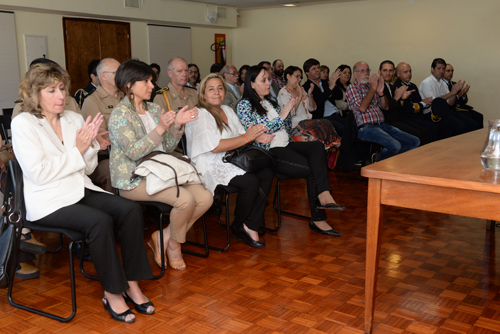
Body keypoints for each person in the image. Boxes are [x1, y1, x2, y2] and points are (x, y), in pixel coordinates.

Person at [12, 62, 154, 323]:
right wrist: (78, 149)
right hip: (48, 200)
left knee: (130, 210)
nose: (60, 96)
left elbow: (87, 169)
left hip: (78, 188)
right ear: (35, 94)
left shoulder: (73, 118)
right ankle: (112, 292)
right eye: (51, 91)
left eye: (62, 88)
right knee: (99, 221)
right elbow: (39, 173)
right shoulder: (24, 123)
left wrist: (91, 147)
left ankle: (131, 284)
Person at [108, 59, 212, 271]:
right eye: (145, 81)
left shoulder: (154, 109)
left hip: (161, 170)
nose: (151, 86)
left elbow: (167, 146)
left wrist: (177, 126)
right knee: (185, 200)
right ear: (129, 84)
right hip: (133, 178)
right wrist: (161, 128)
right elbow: (134, 152)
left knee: (205, 198)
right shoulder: (120, 114)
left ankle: (166, 237)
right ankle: (175, 247)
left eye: (151, 81)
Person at [237, 65, 345, 237]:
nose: (268, 83)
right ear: (251, 84)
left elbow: (285, 127)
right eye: (263, 80)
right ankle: (318, 218)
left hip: (286, 143)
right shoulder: (244, 105)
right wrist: (283, 115)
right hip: (270, 150)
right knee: (312, 170)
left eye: (268, 79)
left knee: (317, 146)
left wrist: (290, 110)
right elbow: (258, 131)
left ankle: (324, 193)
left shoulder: (270, 102)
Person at [185, 74, 273, 248]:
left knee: (267, 172)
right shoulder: (200, 114)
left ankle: (251, 224)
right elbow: (215, 147)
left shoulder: (228, 110)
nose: (216, 92)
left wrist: (256, 136)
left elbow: (242, 134)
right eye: (211, 89)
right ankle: (239, 224)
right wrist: (248, 137)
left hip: (231, 157)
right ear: (203, 94)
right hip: (210, 163)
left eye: (220, 88)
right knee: (250, 182)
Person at [346, 61, 420, 162]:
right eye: (362, 71)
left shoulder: (371, 87)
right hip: (366, 128)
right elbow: (362, 108)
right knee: (395, 146)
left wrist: (380, 93)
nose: (366, 73)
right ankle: (377, 159)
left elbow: (385, 107)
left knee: (414, 141)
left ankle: (391, 162)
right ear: (355, 74)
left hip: (382, 125)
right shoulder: (352, 87)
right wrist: (373, 89)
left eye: (367, 70)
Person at [81, 58, 123, 192]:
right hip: (103, 157)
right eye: (117, 72)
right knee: (117, 170)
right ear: (103, 76)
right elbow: (103, 136)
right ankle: (117, 210)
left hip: (131, 151)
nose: (122, 75)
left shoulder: (127, 97)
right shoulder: (92, 101)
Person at [278, 66, 340, 149]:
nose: (299, 79)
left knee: (326, 123)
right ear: (288, 76)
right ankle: (337, 146)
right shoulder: (283, 92)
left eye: (300, 77)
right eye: (297, 76)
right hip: (295, 125)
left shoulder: (302, 89)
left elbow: (312, 108)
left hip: (308, 122)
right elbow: (290, 113)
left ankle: (334, 148)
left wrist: (310, 95)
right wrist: (299, 96)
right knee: (324, 123)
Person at [378, 60, 432, 145]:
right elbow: (387, 109)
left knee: (425, 132)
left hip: (398, 119)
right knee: (419, 134)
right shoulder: (378, 87)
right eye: (385, 70)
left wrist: (402, 99)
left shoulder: (392, 87)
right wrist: (397, 97)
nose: (388, 73)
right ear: (379, 71)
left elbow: (399, 109)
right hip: (387, 122)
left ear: (394, 72)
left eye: (390, 70)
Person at [419, 58, 478, 134]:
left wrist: (454, 93)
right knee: (460, 126)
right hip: (431, 114)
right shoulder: (426, 83)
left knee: (473, 124)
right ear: (432, 69)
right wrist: (451, 93)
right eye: (439, 68)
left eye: (443, 69)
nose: (441, 71)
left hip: (445, 112)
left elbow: (450, 103)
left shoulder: (443, 83)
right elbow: (435, 103)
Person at [302, 58, 346, 137]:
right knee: (346, 131)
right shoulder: (306, 87)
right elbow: (317, 102)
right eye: (314, 68)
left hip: (336, 114)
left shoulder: (325, 82)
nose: (317, 70)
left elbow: (339, 96)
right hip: (324, 119)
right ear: (307, 72)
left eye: (318, 68)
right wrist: (330, 89)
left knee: (355, 126)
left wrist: (334, 84)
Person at [442, 63, 483, 128]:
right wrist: (459, 95)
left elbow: (464, 101)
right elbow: (448, 101)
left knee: (479, 116)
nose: (450, 73)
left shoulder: (455, 84)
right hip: (451, 110)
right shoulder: (441, 85)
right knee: (472, 123)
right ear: (443, 72)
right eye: (448, 71)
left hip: (460, 108)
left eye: (452, 71)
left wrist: (463, 94)